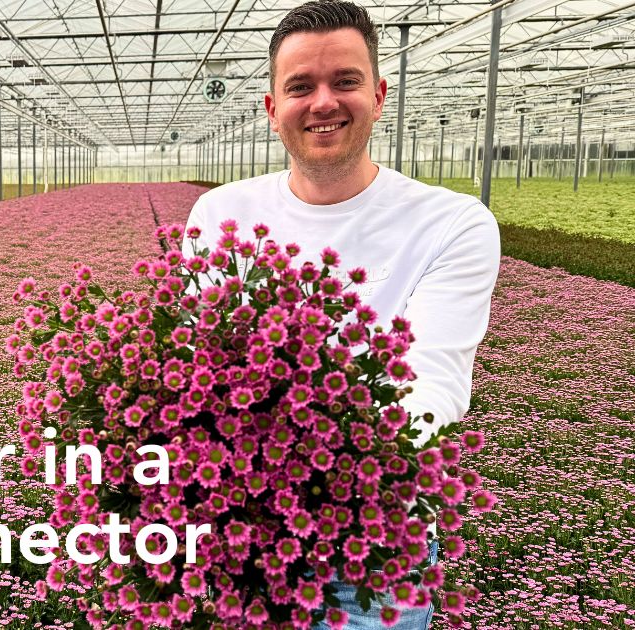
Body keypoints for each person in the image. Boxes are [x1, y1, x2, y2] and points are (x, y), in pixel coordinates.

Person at [181, 1, 500, 628]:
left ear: (378, 94)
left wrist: (307, 459)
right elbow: (199, 368)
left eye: (345, 81)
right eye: (300, 86)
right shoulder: (220, 215)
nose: (323, 102)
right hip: (236, 525)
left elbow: (431, 386)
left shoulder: (453, 223)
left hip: (376, 543)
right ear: (272, 109)